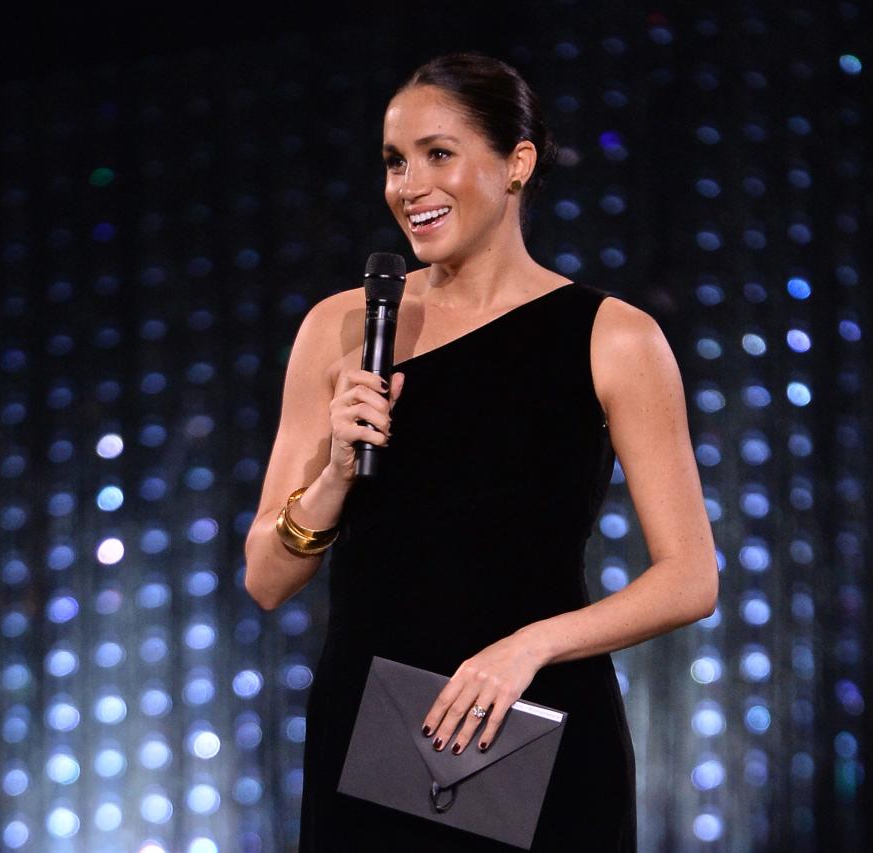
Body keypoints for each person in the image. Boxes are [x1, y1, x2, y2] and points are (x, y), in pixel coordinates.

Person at [243, 51, 719, 852]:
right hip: (375, 743)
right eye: (395, 161)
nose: (409, 185)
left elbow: (690, 577)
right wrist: (332, 472)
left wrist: (529, 645)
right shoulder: (343, 326)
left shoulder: (614, 337)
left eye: (439, 154)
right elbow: (265, 577)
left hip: (538, 726)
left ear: (517, 164)